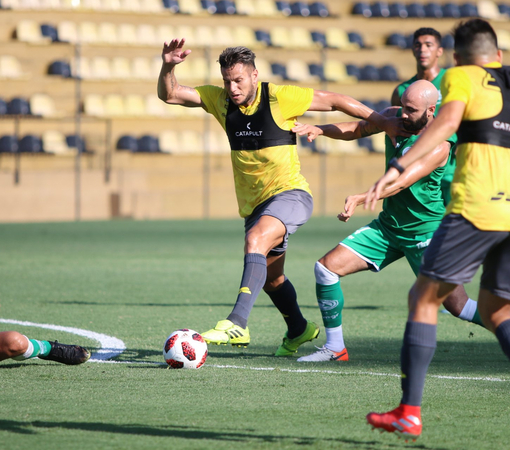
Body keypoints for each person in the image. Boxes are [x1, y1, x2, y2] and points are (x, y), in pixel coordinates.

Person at [158, 38, 407, 356]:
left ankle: (237, 323)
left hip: (290, 195)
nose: (232, 88)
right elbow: (171, 94)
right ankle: (299, 330)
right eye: (227, 81)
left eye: (238, 80)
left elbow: (334, 99)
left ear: (254, 75)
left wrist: (383, 122)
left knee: (255, 243)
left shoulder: (277, 96)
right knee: (271, 279)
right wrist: (168, 66)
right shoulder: (219, 100)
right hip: (255, 205)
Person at [364, 19, 510, 439]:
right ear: (497, 56)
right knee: (498, 310)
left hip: (477, 209)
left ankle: (409, 411)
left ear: (458, 58)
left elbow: (443, 126)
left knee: (424, 298)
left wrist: (397, 166)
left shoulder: (462, 77)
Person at [291, 80, 482, 363]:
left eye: (411, 110)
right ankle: (335, 348)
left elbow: (403, 180)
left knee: (458, 306)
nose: (402, 114)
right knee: (326, 269)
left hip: (426, 234)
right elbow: (358, 129)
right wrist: (321, 129)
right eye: (402, 106)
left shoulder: (440, 143)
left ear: (431, 110)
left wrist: (363, 196)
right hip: (389, 228)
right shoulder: (395, 118)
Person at [392, 28, 457, 207]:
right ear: (412, 50)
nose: (422, 50)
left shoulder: (453, 81)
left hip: (452, 170)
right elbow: (397, 125)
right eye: (418, 45)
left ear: (440, 51)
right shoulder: (403, 90)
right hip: (421, 172)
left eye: (429, 45)